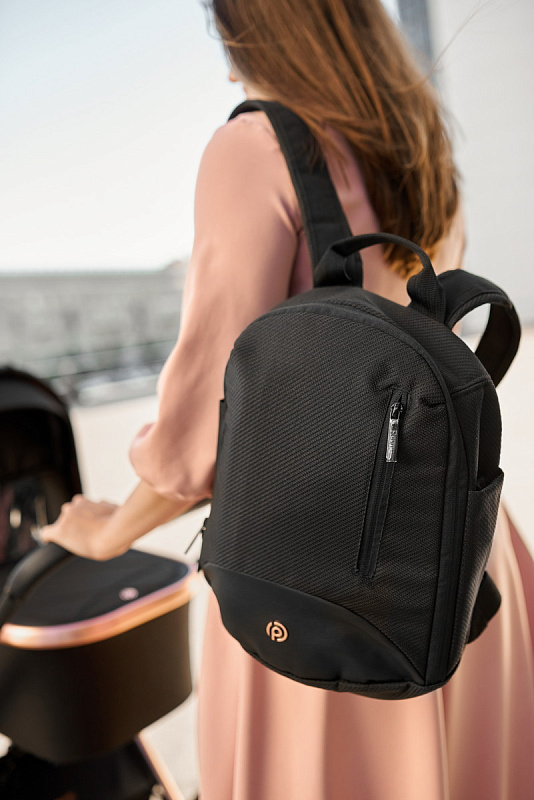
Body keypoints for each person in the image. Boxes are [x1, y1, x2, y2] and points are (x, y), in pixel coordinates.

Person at [42, 0, 534, 797]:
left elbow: (205, 441)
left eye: (225, 32)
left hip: (327, 584)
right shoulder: (418, 145)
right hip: (460, 558)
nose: (229, 68)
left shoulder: (254, 148)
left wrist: (106, 532)